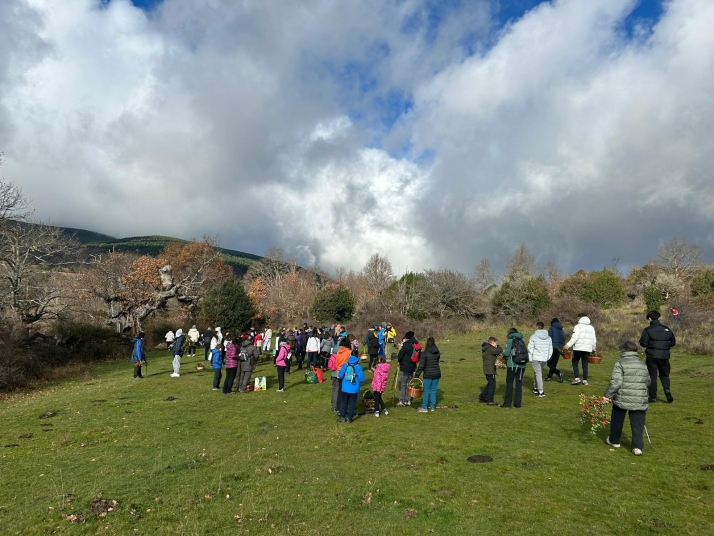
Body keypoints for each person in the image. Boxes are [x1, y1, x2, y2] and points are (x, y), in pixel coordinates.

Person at [603, 341, 651, 456]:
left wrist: (607, 395)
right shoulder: (642, 364)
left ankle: (614, 441)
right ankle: (637, 446)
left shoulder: (620, 363)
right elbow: (648, 381)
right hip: (639, 398)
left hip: (622, 397)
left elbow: (616, 382)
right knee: (638, 423)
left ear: (623, 350)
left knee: (617, 419)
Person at [639, 310, 676, 403]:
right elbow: (673, 342)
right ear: (658, 318)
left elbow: (643, 343)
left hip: (652, 356)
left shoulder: (647, 330)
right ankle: (667, 389)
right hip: (664, 356)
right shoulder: (667, 329)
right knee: (664, 375)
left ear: (650, 319)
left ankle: (653, 397)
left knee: (652, 377)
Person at [564, 314, 596, 386]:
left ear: (580, 318)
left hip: (578, 348)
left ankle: (577, 378)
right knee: (585, 364)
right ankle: (585, 380)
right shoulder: (591, 327)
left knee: (575, 362)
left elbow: (575, 337)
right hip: (587, 349)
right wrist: (593, 348)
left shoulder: (578, 326)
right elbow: (594, 339)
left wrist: (568, 345)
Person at [337, 349, 365, 423]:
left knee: (344, 402)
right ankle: (349, 417)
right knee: (352, 403)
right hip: (354, 387)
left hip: (345, 387)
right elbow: (361, 379)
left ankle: (342, 417)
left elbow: (340, 375)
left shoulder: (345, 365)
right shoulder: (358, 366)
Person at [414, 337, 441, 412]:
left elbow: (421, 365)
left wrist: (417, 375)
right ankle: (432, 406)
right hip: (436, 373)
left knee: (426, 390)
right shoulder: (437, 352)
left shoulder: (425, 353)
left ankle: (424, 407)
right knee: (433, 390)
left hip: (428, 374)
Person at [502, 328, 526, 408]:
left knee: (509, 383)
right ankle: (518, 403)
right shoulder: (521, 339)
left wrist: (503, 353)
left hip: (512, 365)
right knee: (519, 383)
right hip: (522, 365)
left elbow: (506, 353)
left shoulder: (510, 340)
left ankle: (507, 403)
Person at [528, 321, 552, 398]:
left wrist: (530, 358)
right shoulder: (548, 338)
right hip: (543, 358)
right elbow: (550, 349)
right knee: (537, 372)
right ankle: (535, 388)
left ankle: (541, 391)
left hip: (536, 358)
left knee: (538, 373)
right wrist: (547, 357)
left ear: (537, 327)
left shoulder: (533, 337)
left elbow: (530, 348)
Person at [396, 331, 418, 407]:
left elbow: (400, 355)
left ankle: (402, 400)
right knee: (409, 384)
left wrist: (399, 361)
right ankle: (408, 400)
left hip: (405, 367)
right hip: (412, 367)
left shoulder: (406, 345)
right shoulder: (415, 344)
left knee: (403, 384)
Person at [330, 337, 352, 412]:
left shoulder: (339, 351)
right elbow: (350, 362)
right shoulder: (349, 352)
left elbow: (337, 361)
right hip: (345, 371)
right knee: (345, 390)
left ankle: (337, 406)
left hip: (338, 370)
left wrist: (338, 368)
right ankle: (344, 406)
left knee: (338, 389)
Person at [479, 337, 502, 406]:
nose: (496, 345)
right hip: (490, 369)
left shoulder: (487, 349)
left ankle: (483, 396)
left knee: (490, 383)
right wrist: (498, 347)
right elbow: (499, 350)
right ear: (492, 343)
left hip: (487, 369)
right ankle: (490, 400)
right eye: (495, 343)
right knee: (492, 384)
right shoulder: (490, 349)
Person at [546, 318, 566, 383]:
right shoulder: (561, 330)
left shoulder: (552, 328)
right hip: (559, 348)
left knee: (549, 363)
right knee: (553, 364)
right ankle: (549, 377)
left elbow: (548, 337)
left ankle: (559, 373)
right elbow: (563, 340)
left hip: (553, 347)